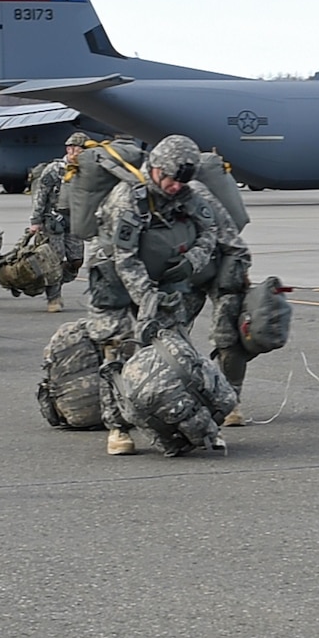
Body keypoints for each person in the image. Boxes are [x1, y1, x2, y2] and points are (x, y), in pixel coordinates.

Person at [84, 134, 222, 455]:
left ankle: (174, 421)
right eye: (172, 181)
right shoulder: (127, 198)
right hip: (114, 277)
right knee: (116, 347)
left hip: (164, 275)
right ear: (157, 169)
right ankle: (118, 427)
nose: (176, 188)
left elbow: (209, 231)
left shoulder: (187, 194)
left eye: (182, 183)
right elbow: (125, 258)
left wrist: (191, 263)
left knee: (172, 346)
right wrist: (148, 302)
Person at [25, 132, 90, 314]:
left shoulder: (87, 172)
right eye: (71, 148)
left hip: (75, 221)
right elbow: (40, 196)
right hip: (53, 222)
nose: (74, 152)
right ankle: (53, 297)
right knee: (54, 261)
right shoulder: (54, 170)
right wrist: (36, 221)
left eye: (78, 149)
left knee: (76, 260)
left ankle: (58, 280)